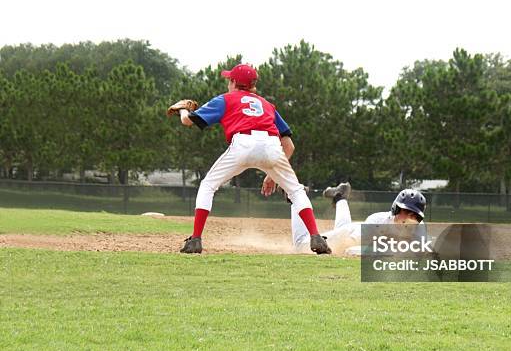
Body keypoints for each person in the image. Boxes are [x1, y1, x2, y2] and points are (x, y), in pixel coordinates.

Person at [173, 63, 331, 255]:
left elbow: (187, 121)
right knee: (296, 191)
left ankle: (195, 240)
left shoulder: (225, 99)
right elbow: (289, 146)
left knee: (208, 186)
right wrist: (272, 174)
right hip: (272, 146)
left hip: (243, 144)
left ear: (233, 82)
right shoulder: (267, 105)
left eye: (229, 79)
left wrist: (182, 109)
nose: (228, 83)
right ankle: (315, 236)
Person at [273, 182, 427, 255]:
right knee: (301, 246)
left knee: (344, 226)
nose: (409, 218)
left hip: (354, 231)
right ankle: (297, 195)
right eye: (406, 212)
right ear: (396, 209)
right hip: (350, 237)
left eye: (414, 215)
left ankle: (340, 196)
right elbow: (350, 249)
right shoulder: (378, 223)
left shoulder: (418, 230)